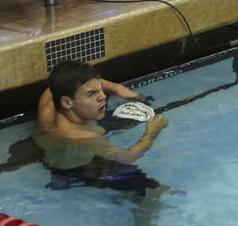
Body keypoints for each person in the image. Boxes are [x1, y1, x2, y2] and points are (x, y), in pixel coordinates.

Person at [34, 60, 167, 195]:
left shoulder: (50, 103)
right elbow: (127, 157)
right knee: (149, 191)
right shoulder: (81, 136)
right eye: (92, 94)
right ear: (67, 102)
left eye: (101, 89)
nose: (103, 96)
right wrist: (152, 132)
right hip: (77, 170)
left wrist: (116, 88)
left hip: (62, 158)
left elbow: (68, 82)